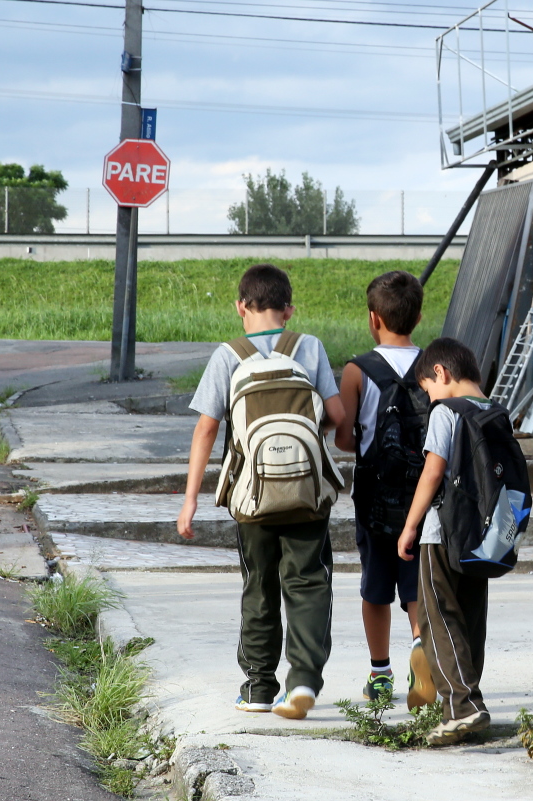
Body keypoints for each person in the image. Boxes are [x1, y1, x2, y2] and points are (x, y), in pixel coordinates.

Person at [177, 263, 345, 721]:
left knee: (259, 584)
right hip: (308, 493)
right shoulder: (308, 347)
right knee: (309, 582)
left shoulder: (228, 355)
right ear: (288, 310)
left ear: (241, 307)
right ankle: (304, 680)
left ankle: (257, 686)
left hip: (250, 496)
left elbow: (206, 430)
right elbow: (337, 414)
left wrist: (191, 498)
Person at [334, 270, 435, 708]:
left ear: (374, 318)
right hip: (424, 497)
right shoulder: (434, 366)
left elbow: (343, 437)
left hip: (374, 497)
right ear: (418, 315)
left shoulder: (358, 369)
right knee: (416, 583)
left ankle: (379, 674)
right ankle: (421, 649)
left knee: (375, 587)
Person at [396, 337, 493, 746]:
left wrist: (410, 526)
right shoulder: (496, 411)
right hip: (482, 535)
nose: (428, 397)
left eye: (427, 388)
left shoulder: (447, 412)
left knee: (438, 619)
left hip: (442, 533)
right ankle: (466, 705)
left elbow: (433, 471)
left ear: (441, 373)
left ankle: (463, 706)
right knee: (470, 620)